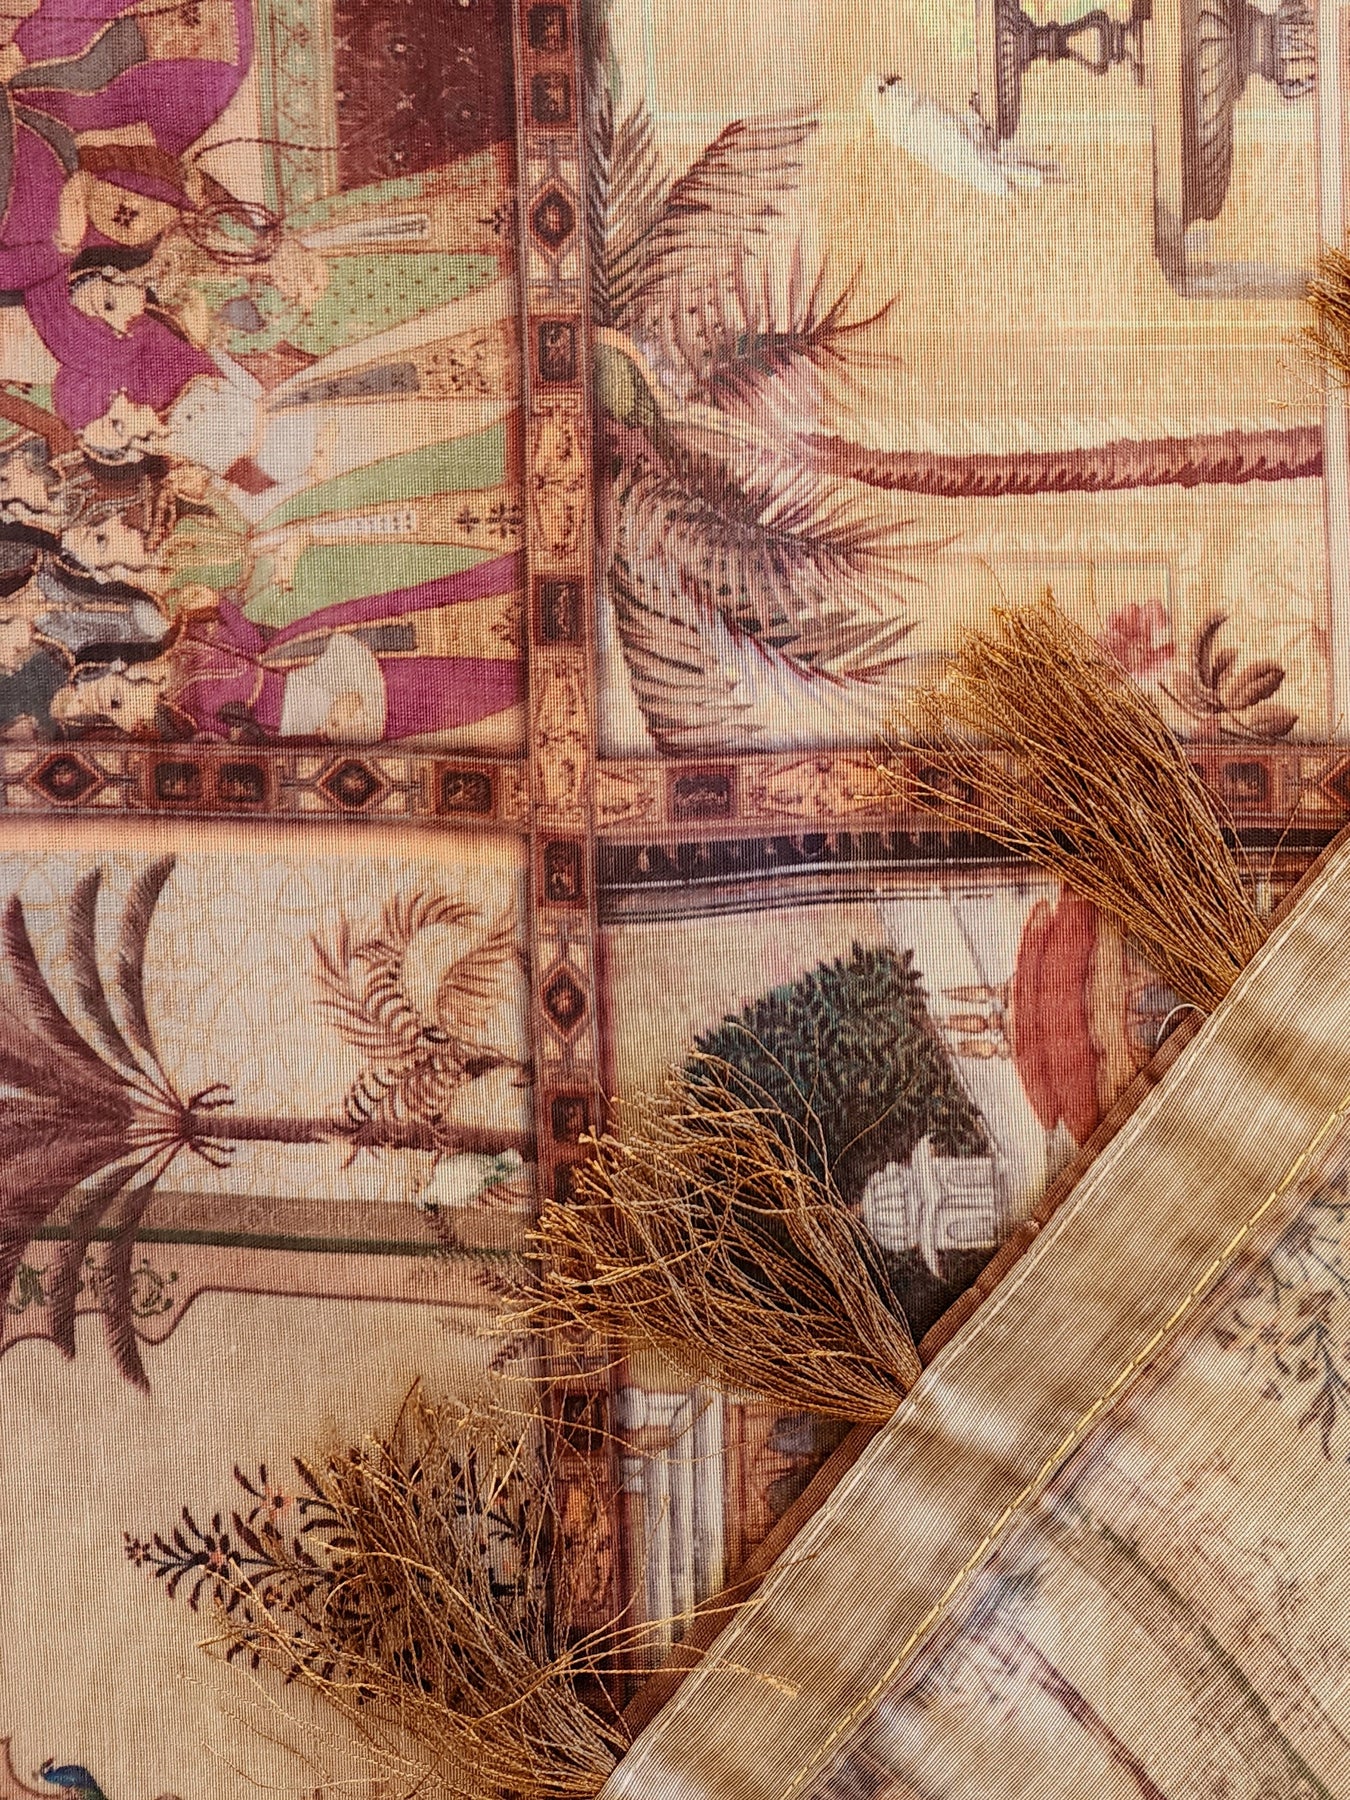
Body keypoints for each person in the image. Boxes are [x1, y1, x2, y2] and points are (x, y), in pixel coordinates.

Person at [50, 552, 525, 744]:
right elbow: (255, 746)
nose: (125, 700)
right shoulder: (183, 720)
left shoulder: (184, 646)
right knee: (433, 690)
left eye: (114, 688)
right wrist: (323, 726)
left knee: (412, 614)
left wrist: (219, 605)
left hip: (302, 653)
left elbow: (252, 645)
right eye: (113, 708)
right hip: (317, 711)